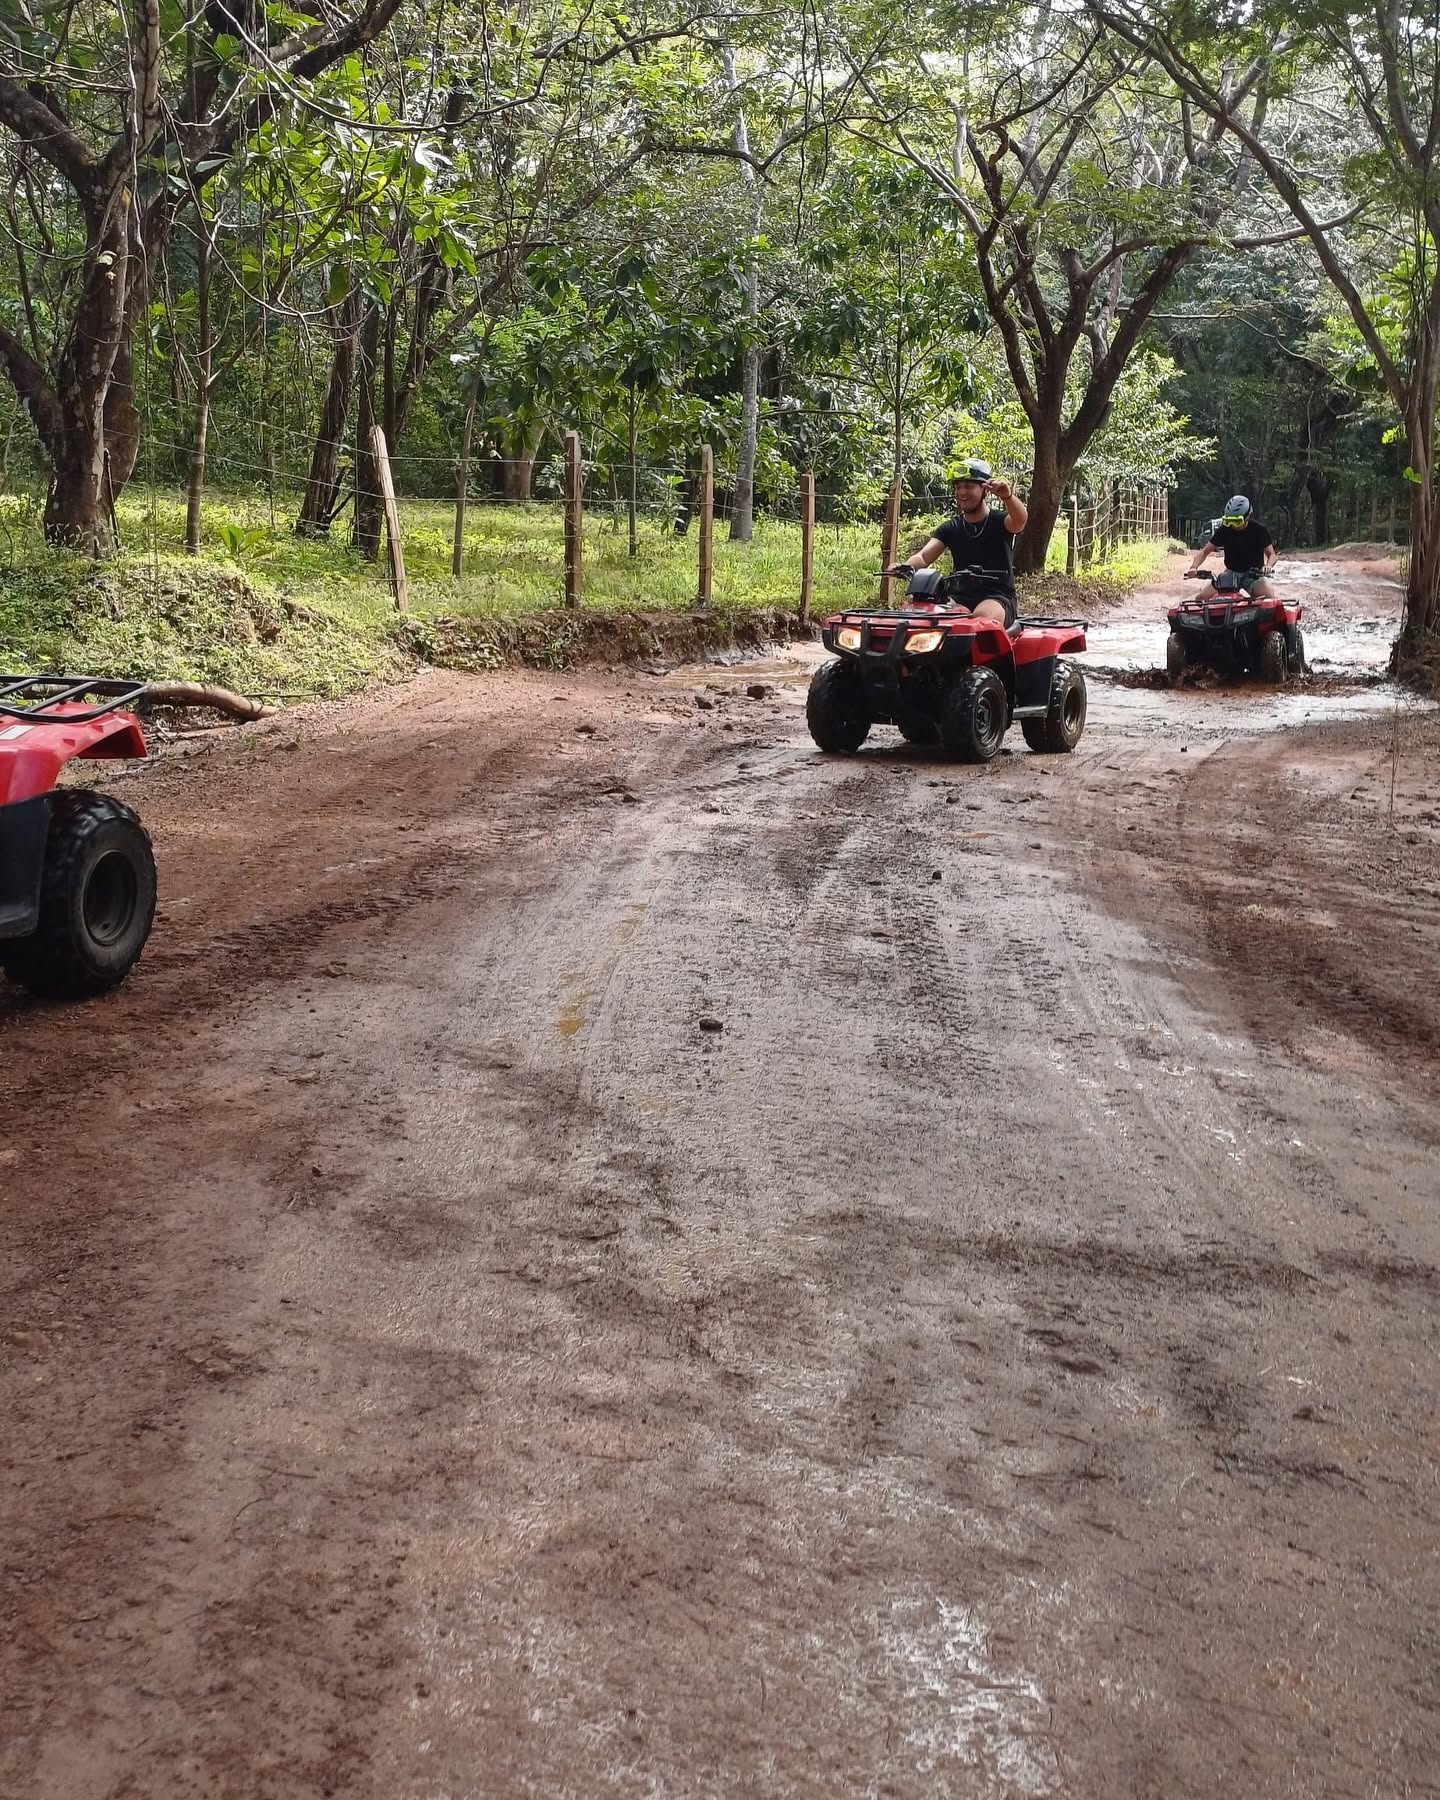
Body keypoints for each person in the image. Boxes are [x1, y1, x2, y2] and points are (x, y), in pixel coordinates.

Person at [894, 457, 1028, 625]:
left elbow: (1020, 521)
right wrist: (905, 567)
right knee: (926, 618)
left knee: (980, 619)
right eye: (958, 487)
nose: (962, 493)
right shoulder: (951, 528)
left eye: (969, 486)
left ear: (984, 490)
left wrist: (1007, 496)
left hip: (997, 597)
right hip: (958, 598)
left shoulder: (1000, 521)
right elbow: (923, 557)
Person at [1187, 495, 1277, 599]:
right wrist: (1194, 567)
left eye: (1237, 521)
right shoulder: (1224, 530)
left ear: (1247, 517)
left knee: (1269, 595)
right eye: (1229, 521)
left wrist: (1268, 566)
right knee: (1201, 598)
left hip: (1255, 576)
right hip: (1230, 575)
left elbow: (1272, 555)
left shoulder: (1259, 530)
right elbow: (1204, 551)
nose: (1233, 525)